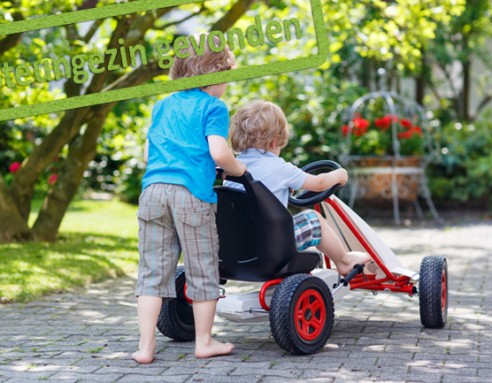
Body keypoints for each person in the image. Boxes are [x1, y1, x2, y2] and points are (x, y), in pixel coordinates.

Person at [133, 38, 246, 364]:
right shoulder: (213, 107)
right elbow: (219, 153)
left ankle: (145, 347)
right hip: (191, 195)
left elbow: (147, 152)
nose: (226, 85)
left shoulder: (163, 106)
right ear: (214, 73)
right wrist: (238, 168)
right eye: (227, 77)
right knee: (203, 269)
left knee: (152, 273)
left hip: (153, 192)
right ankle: (204, 341)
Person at [225, 100, 371, 276]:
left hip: (239, 247)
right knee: (313, 218)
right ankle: (344, 260)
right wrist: (338, 176)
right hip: (272, 247)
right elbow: (319, 184)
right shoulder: (279, 167)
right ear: (275, 140)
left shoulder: (233, 167)